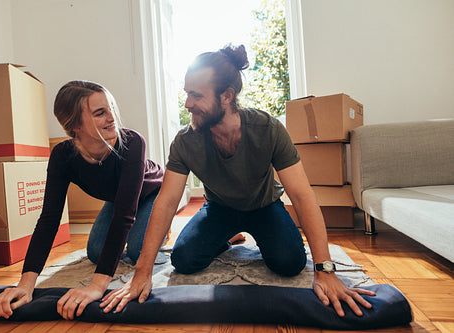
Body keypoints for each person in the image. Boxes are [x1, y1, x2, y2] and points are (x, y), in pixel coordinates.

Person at [100, 44, 376, 317]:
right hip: (219, 209)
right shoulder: (185, 142)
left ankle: (245, 232)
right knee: (183, 260)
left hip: (265, 207)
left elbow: (303, 196)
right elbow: (167, 201)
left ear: (226, 96)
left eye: (196, 96)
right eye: (186, 94)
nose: (187, 104)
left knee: (290, 263)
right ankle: (230, 234)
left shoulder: (268, 130)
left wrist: (324, 270)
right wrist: (142, 272)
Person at [0, 80, 164, 320]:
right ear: (74, 125)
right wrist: (26, 284)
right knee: (95, 252)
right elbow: (49, 219)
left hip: (153, 193)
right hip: (119, 198)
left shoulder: (132, 142)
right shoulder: (62, 156)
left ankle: (164, 227)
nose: (113, 117)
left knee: (137, 250)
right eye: (100, 113)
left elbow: (124, 216)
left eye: (111, 107)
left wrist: (97, 286)